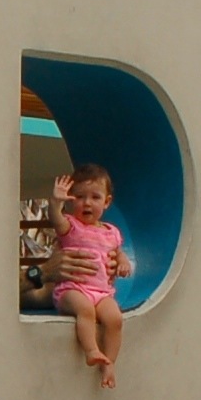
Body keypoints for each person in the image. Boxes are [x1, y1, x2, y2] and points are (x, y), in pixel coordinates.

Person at [51, 163, 133, 387]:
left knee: (114, 319)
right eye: (79, 197)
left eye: (95, 197)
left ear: (106, 202)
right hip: (72, 289)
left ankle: (110, 363)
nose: (87, 203)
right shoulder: (71, 226)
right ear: (71, 200)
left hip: (101, 292)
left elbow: (117, 252)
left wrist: (123, 262)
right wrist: (56, 203)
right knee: (85, 310)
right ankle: (91, 351)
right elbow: (56, 219)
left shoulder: (111, 232)